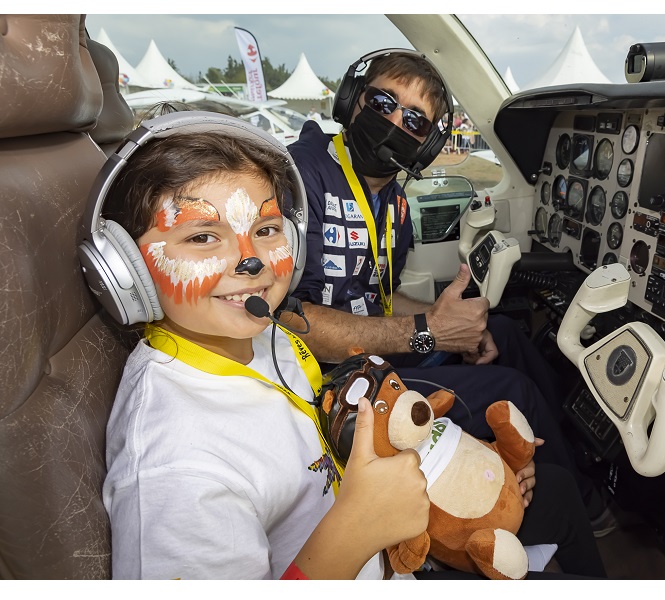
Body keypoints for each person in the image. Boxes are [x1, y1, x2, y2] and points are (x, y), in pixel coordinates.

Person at [94, 113, 605, 579]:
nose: (252, 263)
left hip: (385, 537)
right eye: (203, 237)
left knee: (551, 488)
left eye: (267, 229)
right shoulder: (175, 467)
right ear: (125, 269)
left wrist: (470, 459)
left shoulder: (265, 336)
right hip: (369, 549)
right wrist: (360, 527)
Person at [285, 49, 613, 529]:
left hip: (371, 353)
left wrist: (454, 325)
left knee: (505, 333)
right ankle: (576, 502)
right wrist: (431, 333)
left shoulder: (394, 202)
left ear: (425, 143)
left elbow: (381, 295)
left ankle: (569, 456)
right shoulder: (302, 176)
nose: (395, 121)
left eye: (415, 119)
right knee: (513, 389)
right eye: (383, 104)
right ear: (353, 100)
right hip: (334, 383)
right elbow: (293, 324)